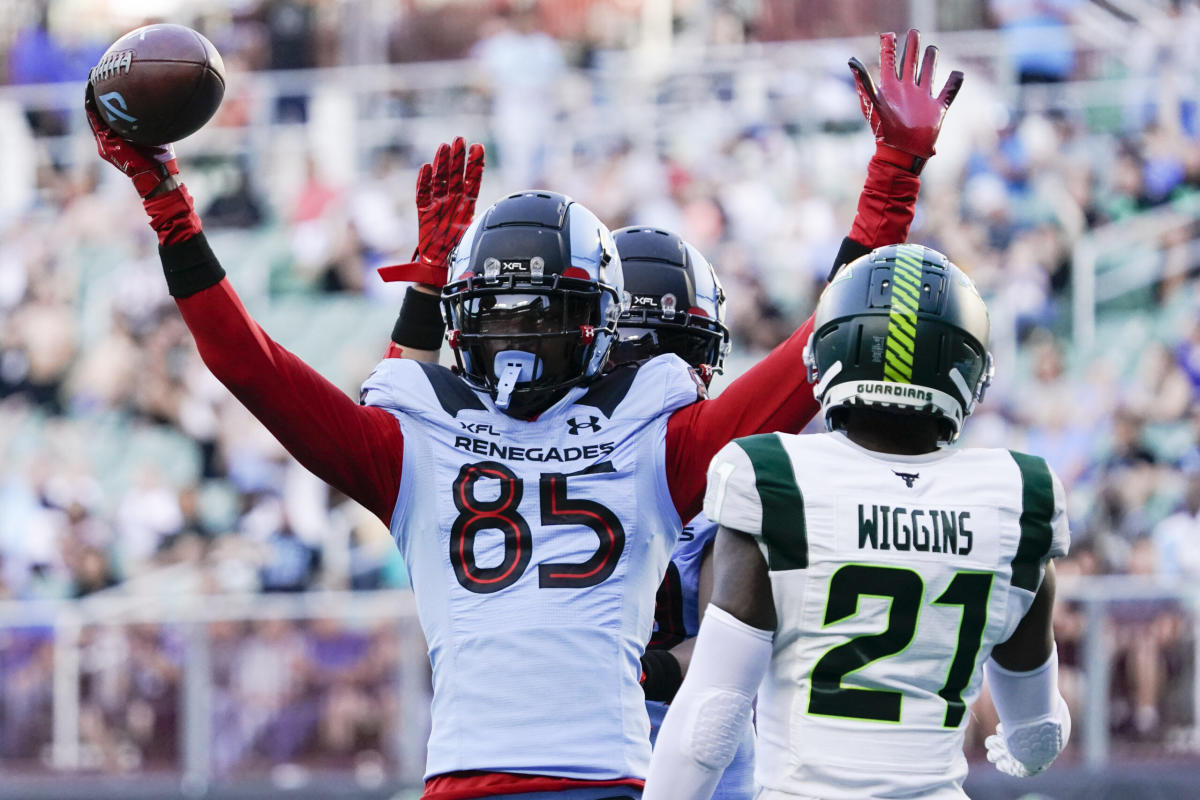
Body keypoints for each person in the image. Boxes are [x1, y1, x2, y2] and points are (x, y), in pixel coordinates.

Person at [85, 27, 960, 800]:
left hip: (573, 770)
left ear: (602, 326)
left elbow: (811, 358)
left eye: (540, 314)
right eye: (500, 315)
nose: (517, 341)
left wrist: (170, 204)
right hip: (578, 774)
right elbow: (820, 349)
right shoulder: (637, 439)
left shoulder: (463, 443)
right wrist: (890, 182)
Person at [644, 243, 1072, 800]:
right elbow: (1036, 733)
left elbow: (712, 717)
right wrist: (1030, 748)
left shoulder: (777, 477)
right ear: (968, 369)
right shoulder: (1018, 497)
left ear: (829, 352)